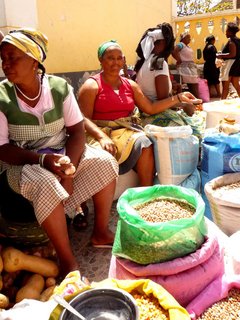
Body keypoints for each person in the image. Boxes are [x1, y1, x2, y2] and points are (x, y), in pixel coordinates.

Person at [0, 29, 119, 276]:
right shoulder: (2, 96)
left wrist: (69, 172)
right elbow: (2, 149)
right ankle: (67, 260)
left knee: (105, 162)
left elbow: (76, 132)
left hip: (62, 153)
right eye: (3, 58)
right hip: (22, 163)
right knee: (45, 182)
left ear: (34, 61)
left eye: (13, 57)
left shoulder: (58, 88)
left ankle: (100, 232)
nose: (5, 64)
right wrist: (43, 160)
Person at [78, 40, 200, 186]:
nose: (115, 62)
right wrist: (102, 137)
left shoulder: (130, 85)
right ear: (101, 60)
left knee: (145, 143)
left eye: (119, 58)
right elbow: (83, 119)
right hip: (99, 132)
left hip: (125, 131)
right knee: (104, 156)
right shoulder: (91, 86)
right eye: (110, 58)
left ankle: (146, 193)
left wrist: (178, 98)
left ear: (124, 60)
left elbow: (150, 108)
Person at [134, 25, 200, 128]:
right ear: (162, 42)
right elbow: (162, 101)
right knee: (197, 129)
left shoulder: (142, 62)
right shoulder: (159, 63)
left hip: (144, 114)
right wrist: (184, 104)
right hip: (157, 115)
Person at [216, 22, 240, 99]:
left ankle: (221, 106)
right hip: (236, 65)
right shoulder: (238, 40)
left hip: (229, 66)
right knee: (236, 85)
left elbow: (232, 54)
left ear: (230, 32)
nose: (225, 33)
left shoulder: (231, 41)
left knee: (225, 87)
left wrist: (220, 55)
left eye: (226, 31)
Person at [172, 32, 199, 98]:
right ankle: (196, 100)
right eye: (188, 37)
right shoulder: (181, 45)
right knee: (192, 85)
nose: (189, 39)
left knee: (193, 85)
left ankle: (195, 100)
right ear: (183, 38)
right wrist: (179, 60)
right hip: (185, 68)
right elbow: (174, 51)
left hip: (190, 68)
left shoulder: (187, 46)